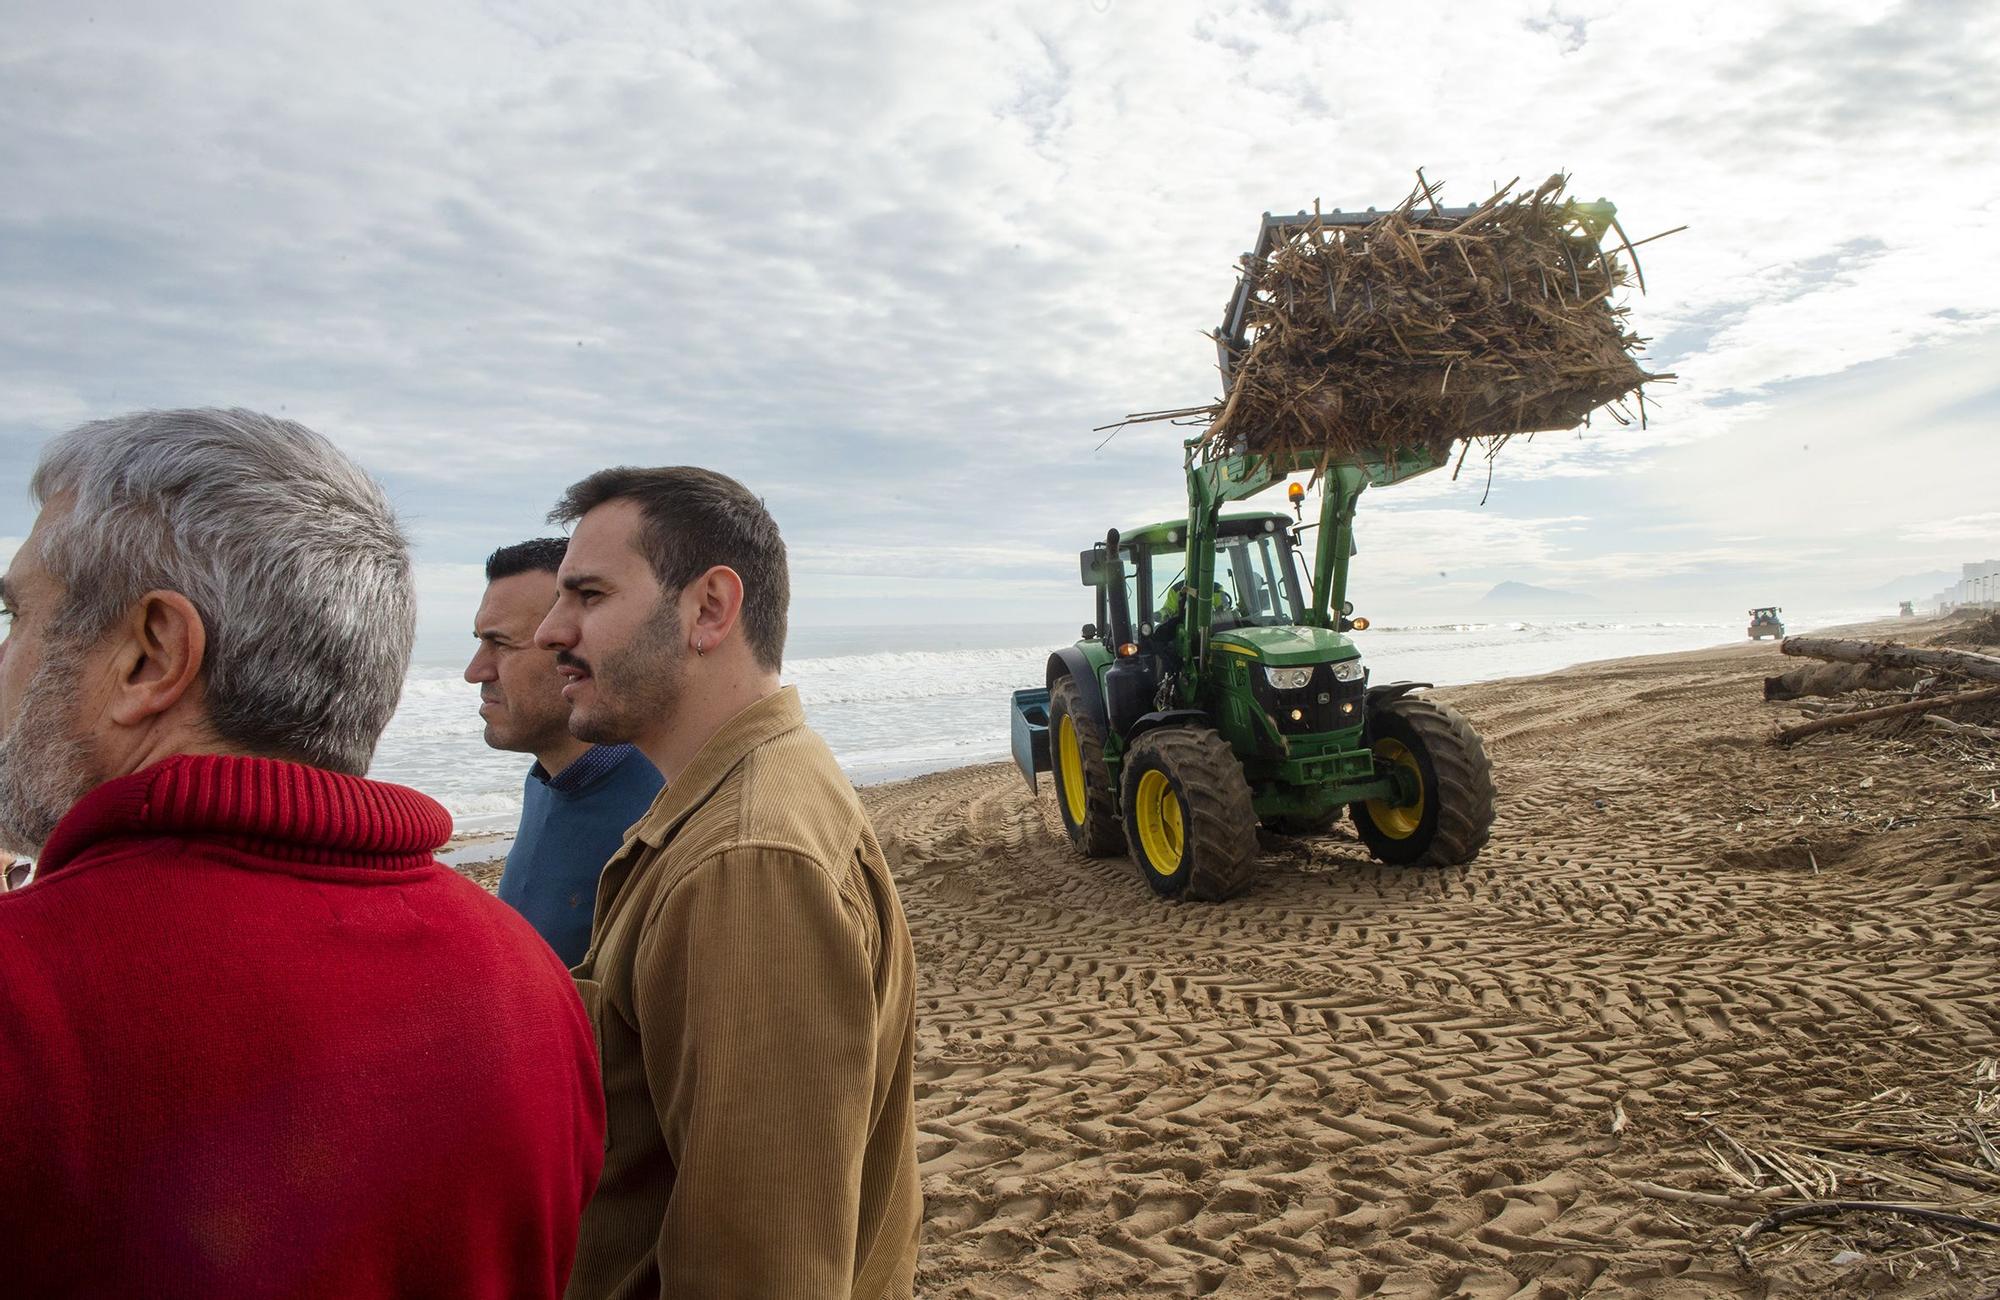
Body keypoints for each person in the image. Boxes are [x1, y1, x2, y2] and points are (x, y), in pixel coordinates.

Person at [0, 409, 605, 1299]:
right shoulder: (527, 983)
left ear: (152, 654)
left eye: (17, 616)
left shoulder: (25, 995)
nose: (7, 656)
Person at [535, 466, 920, 1300]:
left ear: (709, 608)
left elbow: (759, 1270)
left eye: (588, 596)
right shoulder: (748, 800)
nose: (549, 631)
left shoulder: (747, 860)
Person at [468, 537, 662, 966]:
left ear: (576, 644)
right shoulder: (547, 780)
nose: (474, 671)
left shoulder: (663, 811)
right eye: (479, 641)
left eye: (500, 643)